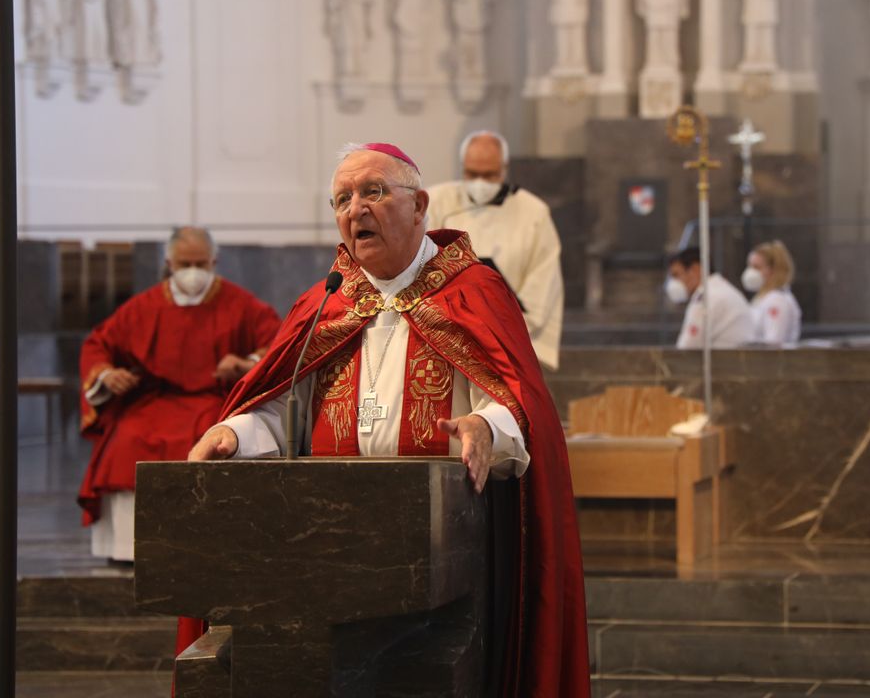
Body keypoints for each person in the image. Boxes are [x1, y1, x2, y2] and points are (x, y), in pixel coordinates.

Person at [183, 142, 589, 696]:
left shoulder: (473, 293)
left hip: (446, 547)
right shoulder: (324, 303)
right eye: (342, 199)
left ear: (419, 206)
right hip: (325, 547)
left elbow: (517, 402)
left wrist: (485, 427)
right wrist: (234, 432)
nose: (355, 209)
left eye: (372, 192)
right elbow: (280, 408)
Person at [77, 227, 280, 562]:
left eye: (201, 264)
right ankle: (129, 547)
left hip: (215, 399)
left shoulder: (242, 304)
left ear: (214, 261)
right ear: (169, 263)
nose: (193, 272)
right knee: (127, 439)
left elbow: (277, 343)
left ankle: (209, 543)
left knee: (218, 436)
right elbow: (98, 344)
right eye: (185, 264)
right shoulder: (144, 307)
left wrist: (246, 363)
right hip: (154, 400)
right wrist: (108, 375)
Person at [425, 131, 564, 370]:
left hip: (512, 338)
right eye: (472, 174)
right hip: (447, 335)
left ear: (504, 169)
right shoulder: (435, 202)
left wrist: (505, 330)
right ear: (462, 168)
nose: (480, 182)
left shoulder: (533, 212)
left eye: (489, 175)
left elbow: (543, 278)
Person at [666, 247, 755, 349]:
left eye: (676, 275)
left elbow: (688, 347)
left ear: (695, 269)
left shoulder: (706, 298)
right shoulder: (722, 289)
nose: (674, 282)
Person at [741, 240, 801, 345]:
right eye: (749, 266)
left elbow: (774, 343)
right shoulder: (764, 298)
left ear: (772, 270)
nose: (751, 271)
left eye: (756, 267)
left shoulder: (777, 300)